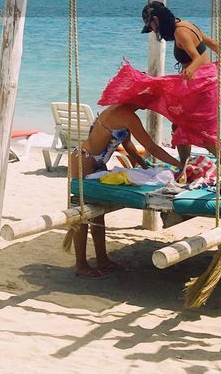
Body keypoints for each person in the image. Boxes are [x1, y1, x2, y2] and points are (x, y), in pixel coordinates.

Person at [100, 0, 221, 188]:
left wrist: (190, 71)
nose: (155, 32)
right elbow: (212, 43)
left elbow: (196, 59)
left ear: (157, 20)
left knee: (209, 140)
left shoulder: (181, 32)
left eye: (152, 27)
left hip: (200, 88)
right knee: (179, 127)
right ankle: (185, 168)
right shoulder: (187, 25)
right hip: (206, 84)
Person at [68, 104, 181, 277]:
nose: (146, 103)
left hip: (97, 162)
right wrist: (180, 165)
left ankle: (102, 259)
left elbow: (128, 146)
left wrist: (145, 166)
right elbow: (151, 146)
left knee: (98, 213)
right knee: (83, 214)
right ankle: (81, 265)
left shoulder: (121, 112)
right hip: (84, 159)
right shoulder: (126, 115)